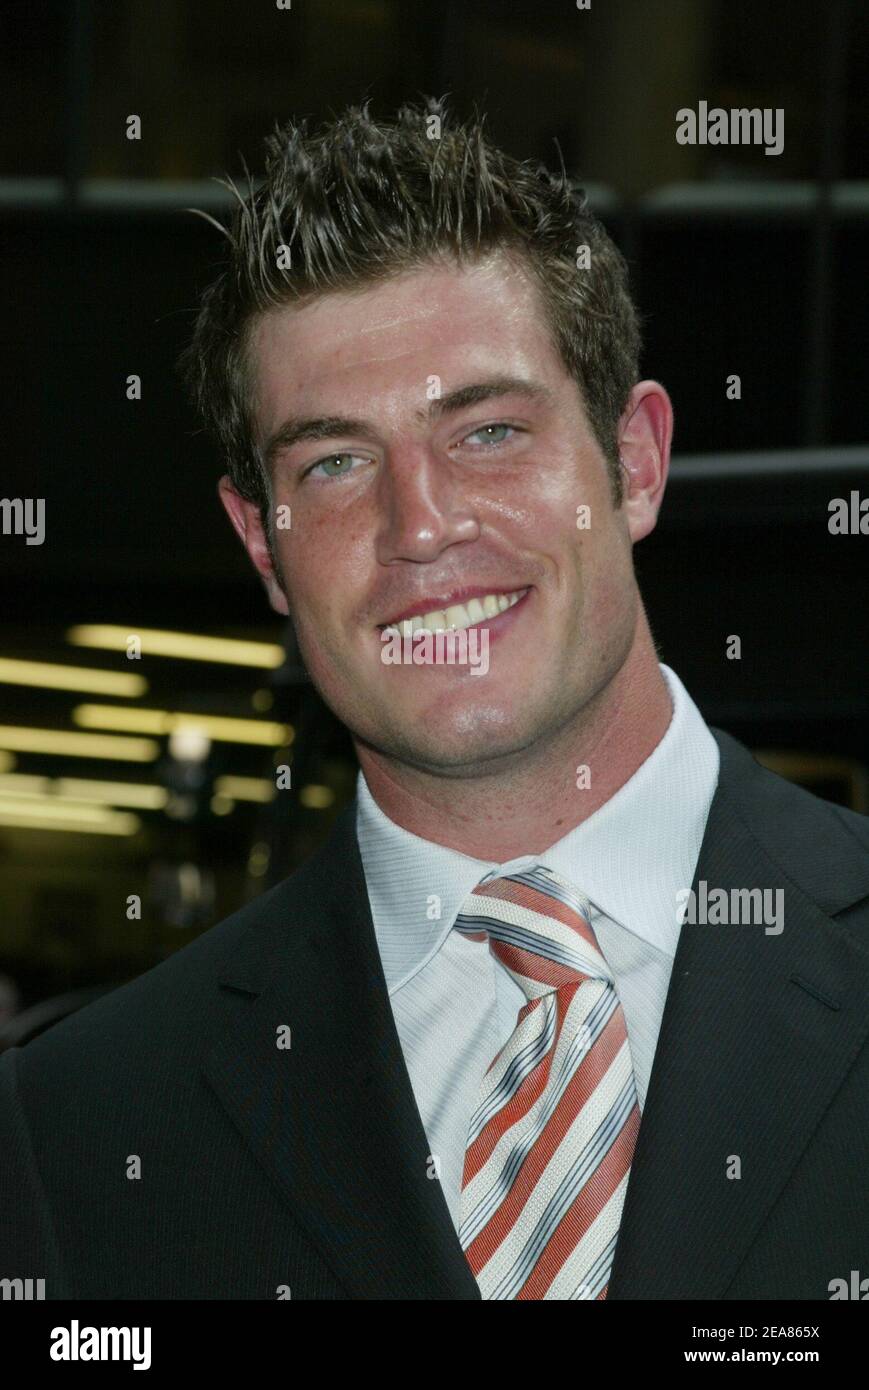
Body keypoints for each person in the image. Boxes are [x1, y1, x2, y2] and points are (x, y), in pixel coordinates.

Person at [1, 98, 867, 1301]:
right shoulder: (80, 1124)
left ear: (635, 461)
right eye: (335, 463)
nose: (419, 526)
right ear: (261, 544)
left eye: (490, 431)